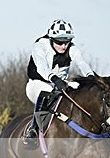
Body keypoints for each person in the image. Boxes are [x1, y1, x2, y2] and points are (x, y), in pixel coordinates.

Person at [23, 19, 94, 148]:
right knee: (47, 90)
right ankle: (32, 130)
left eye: (67, 42)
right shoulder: (40, 45)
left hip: (59, 84)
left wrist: (91, 77)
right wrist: (55, 79)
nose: (63, 46)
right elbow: (42, 68)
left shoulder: (72, 48)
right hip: (37, 84)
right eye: (59, 42)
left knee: (79, 91)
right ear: (51, 39)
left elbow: (81, 63)